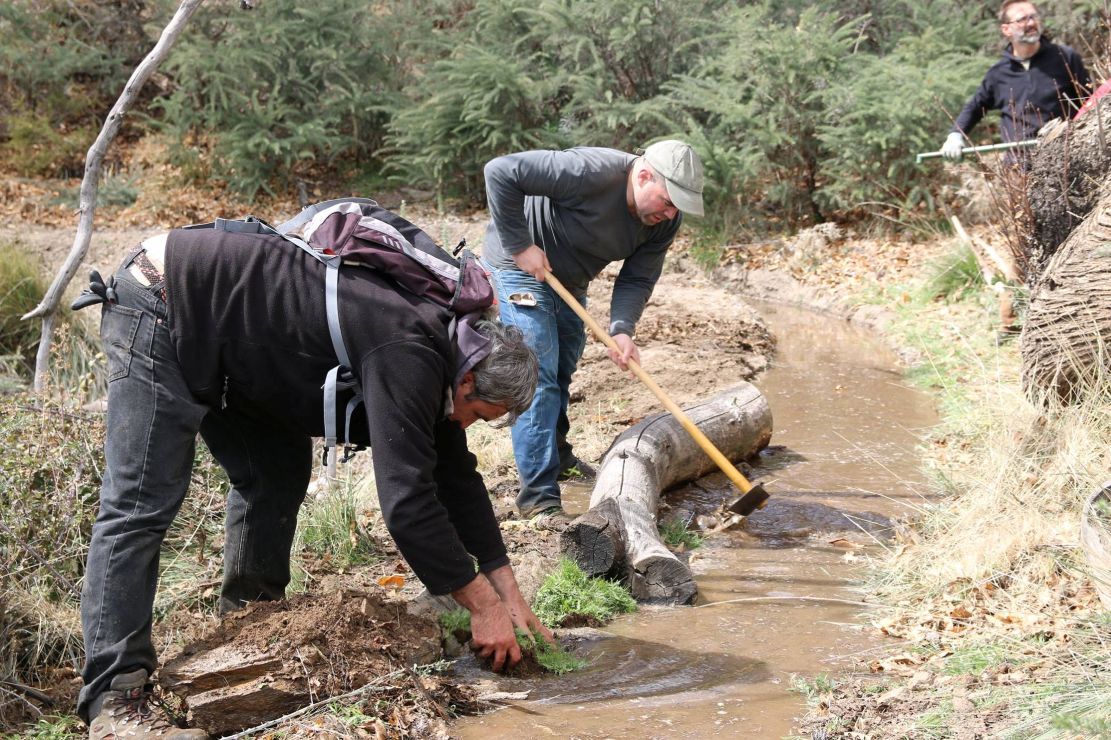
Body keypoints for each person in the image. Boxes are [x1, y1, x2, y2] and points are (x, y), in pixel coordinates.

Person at [75, 211, 549, 740]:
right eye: (477, 415)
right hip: (162, 298)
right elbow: (408, 502)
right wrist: (482, 606)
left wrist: (507, 588)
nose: (466, 425)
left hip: (234, 340)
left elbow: (454, 475)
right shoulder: (411, 349)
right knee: (141, 501)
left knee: (276, 474)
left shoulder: (446, 350)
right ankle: (116, 700)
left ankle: (247, 630)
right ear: (468, 379)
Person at [481, 140, 704, 526]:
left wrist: (621, 330)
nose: (670, 213)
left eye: (677, 207)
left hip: (570, 278)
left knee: (564, 366)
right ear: (645, 175)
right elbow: (500, 171)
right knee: (539, 375)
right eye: (667, 201)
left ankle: (559, 455)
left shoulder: (665, 220)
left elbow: (637, 277)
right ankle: (539, 499)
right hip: (518, 266)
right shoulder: (590, 171)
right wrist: (521, 246)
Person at [940, 0, 1090, 163]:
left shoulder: (1065, 57)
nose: (1031, 23)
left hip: (1067, 159)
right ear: (1006, 29)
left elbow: (1090, 101)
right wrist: (955, 136)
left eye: (1034, 17)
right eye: (1022, 19)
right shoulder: (998, 74)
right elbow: (974, 107)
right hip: (1019, 168)